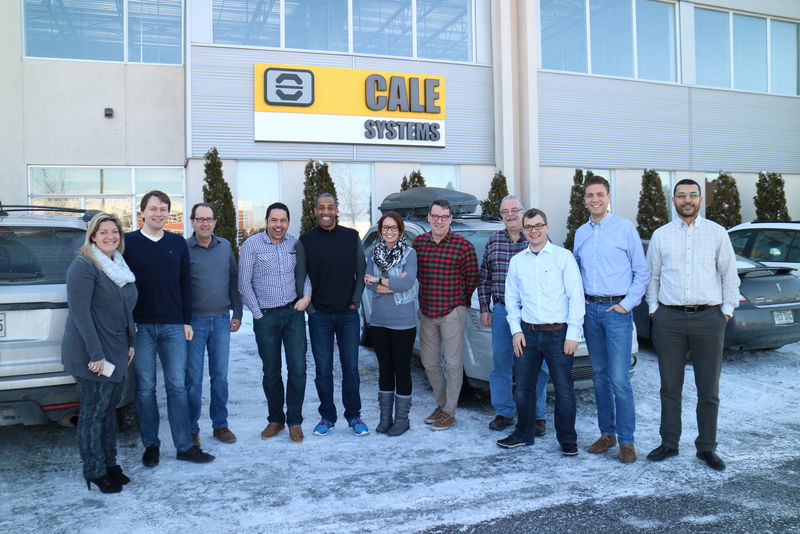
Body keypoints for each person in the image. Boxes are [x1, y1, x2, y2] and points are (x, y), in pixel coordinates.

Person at [645, 179, 739, 471]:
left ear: (700, 199)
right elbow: (652, 276)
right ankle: (669, 442)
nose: (687, 200)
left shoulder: (717, 233)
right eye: (681, 195)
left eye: (692, 195)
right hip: (669, 319)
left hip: (709, 319)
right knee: (669, 387)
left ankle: (707, 447)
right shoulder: (661, 235)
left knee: (708, 389)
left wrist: (725, 312)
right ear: (674, 200)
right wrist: (654, 310)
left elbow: (729, 275)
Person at [124, 190, 214, 466]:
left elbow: (185, 284)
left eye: (163, 209)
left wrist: (187, 320)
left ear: (168, 213)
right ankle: (151, 444)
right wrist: (127, 322)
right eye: (153, 208)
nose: (158, 213)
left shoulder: (177, 243)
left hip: (174, 325)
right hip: (141, 327)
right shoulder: (128, 243)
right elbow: (121, 285)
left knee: (177, 387)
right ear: (142, 212)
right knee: (145, 388)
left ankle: (184, 445)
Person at [573, 176, 649, 463]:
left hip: (617, 312)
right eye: (590, 195)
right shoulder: (581, 233)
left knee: (619, 379)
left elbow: (642, 271)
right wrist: (580, 300)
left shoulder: (625, 228)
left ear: (608, 197)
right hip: (591, 311)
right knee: (600, 376)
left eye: (600, 194)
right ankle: (608, 434)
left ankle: (627, 440)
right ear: (585, 199)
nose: (595, 199)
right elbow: (575, 271)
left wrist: (627, 305)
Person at [499, 208, 584, 456]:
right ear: (523, 230)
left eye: (538, 226)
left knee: (564, 389)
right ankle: (523, 434)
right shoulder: (517, 261)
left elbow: (576, 297)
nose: (534, 231)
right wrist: (516, 331)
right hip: (528, 333)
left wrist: (573, 334)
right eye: (529, 227)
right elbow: (511, 299)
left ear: (546, 227)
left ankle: (567, 439)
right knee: (523, 389)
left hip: (559, 334)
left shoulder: (563, 257)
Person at [62, 213, 137, 493]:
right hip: (92, 353)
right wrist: (96, 355)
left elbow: (126, 309)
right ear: (93, 236)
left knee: (108, 412)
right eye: (103, 232)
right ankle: (94, 470)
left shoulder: (118, 265)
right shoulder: (84, 266)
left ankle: (109, 463)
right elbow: (80, 314)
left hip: (116, 349)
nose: (110, 236)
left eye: (114, 231)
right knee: (93, 414)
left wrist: (130, 343)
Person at [239, 202, 311, 443]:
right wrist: (257, 314)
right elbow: (244, 283)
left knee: (298, 369)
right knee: (271, 371)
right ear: (267, 221)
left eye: (283, 221)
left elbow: (304, 274)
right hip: (266, 317)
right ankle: (276, 419)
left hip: (293, 314)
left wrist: (306, 296)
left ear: (288, 222)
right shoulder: (252, 245)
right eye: (274, 220)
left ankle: (295, 421)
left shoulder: (294, 244)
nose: (278, 225)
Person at [479, 195, 550, 435]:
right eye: (505, 211)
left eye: (514, 210)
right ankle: (504, 412)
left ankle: (537, 415)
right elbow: (484, 277)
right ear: (501, 215)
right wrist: (484, 307)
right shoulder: (493, 242)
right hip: (502, 311)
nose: (510, 215)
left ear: (522, 212)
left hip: (532, 313)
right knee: (501, 364)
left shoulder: (536, 238)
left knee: (536, 366)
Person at [300, 193, 368, 436]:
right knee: (323, 371)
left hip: (348, 315)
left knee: (351, 369)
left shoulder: (351, 237)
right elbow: (301, 275)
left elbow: (361, 270)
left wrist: (355, 301)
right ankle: (327, 416)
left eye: (330, 207)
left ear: (337, 210)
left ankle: (354, 416)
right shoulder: (306, 240)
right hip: (319, 315)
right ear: (315, 211)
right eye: (321, 207)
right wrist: (310, 308)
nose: (326, 211)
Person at [413, 198, 479, 431]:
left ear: (450, 219)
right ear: (429, 218)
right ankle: (441, 405)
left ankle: (450, 411)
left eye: (444, 217)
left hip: (452, 311)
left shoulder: (463, 246)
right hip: (427, 311)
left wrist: (460, 303)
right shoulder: (419, 244)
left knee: (452, 363)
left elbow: (472, 279)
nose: (439, 221)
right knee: (429, 362)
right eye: (435, 216)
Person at [186, 203, 243, 447]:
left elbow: (234, 280)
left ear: (215, 222)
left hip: (220, 320)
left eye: (208, 219)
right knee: (193, 380)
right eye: (200, 219)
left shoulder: (225, 246)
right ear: (192, 222)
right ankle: (191, 430)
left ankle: (220, 425)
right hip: (194, 323)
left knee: (220, 377)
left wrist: (237, 312)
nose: (204, 223)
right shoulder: (184, 248)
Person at [364, 211, 417, 436]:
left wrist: (380, 280)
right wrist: (390, 283)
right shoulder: (373, 254)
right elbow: (368, 284)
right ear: (380, 230)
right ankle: (385, 418)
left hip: (403, 322)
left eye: (393, 228)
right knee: (385, 369)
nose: (389, 232)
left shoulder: (409, 254)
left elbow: (407, 283)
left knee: (401, 369)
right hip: (378, 321)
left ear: (400, 230)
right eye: (385, 227)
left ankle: (402, 420)